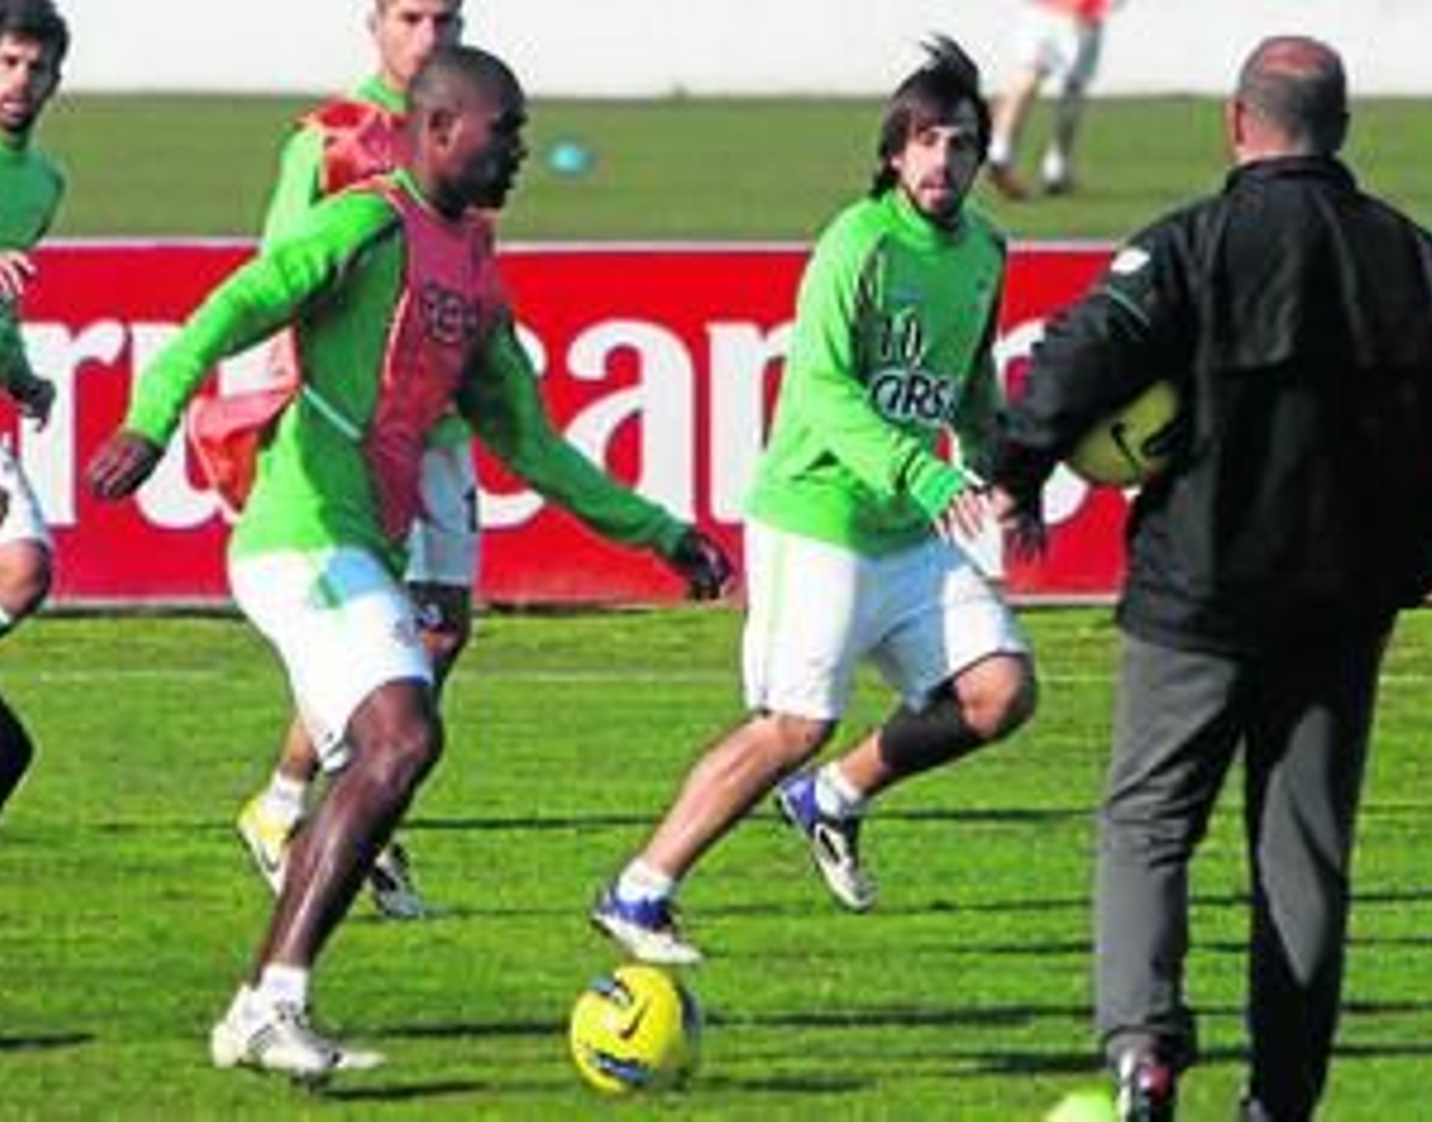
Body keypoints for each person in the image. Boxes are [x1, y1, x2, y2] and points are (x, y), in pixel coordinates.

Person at [87, 45, 732, 1082]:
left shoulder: (471, 266)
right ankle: (270, 999)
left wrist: (662, 533)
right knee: (400, 734)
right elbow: (234, 305)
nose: (519, 150)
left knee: (392, 749)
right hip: (298, 534)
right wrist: (150, 417)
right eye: (503, 130)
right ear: (437, 131)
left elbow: (534, 444)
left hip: (355, 545)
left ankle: (264, 1001)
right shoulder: (365, 223)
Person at [990, 36, 1432, 1121]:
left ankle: (1143, 1051)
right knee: (1303, 860)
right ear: (1342, 128)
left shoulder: (1193, 245)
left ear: (1235, 122)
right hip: (1340, 612)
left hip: (1197, 597)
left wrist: (1018, 468)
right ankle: (1281, 1099)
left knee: (1148, 822)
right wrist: (1399, 577)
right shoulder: (1417, 263)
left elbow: (1079, 351)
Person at [592, 37, 1037, 967]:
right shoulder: (857, 243)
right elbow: (823, 390)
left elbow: (969, 381)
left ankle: (833, 797)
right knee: (792, 725)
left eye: (961, 143)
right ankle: (639, 890)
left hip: (907, 531)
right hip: (816, 518)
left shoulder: (986, 250)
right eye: (925, 141)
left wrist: (1006, 471)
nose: (942, 159)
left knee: (1001, 693)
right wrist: (920, 471)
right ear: (894, 152)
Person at [237, 0, 466, 923]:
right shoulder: (330, 140)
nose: (430, 38)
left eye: (447, 19)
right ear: (373, 23)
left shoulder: (466, 130)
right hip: (355, 437)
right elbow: (274, 279)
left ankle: (288, 803)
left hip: (439, 425)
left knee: (439, 633)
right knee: (381, 636)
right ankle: (336, 813)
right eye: (411, 17)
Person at [0, 0, 66, 868]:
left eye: (37, 68)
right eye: (9, 63)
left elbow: (0, 303)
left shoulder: (41, 184)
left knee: (24, 569)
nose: (21, 81)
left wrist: (19, 372)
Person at [985, 0, 1122, 201]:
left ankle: (1000, 150)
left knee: (1028, 74)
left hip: (1038, 10)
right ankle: (1056, 167)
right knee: (1074, 87)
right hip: (1080, 14)